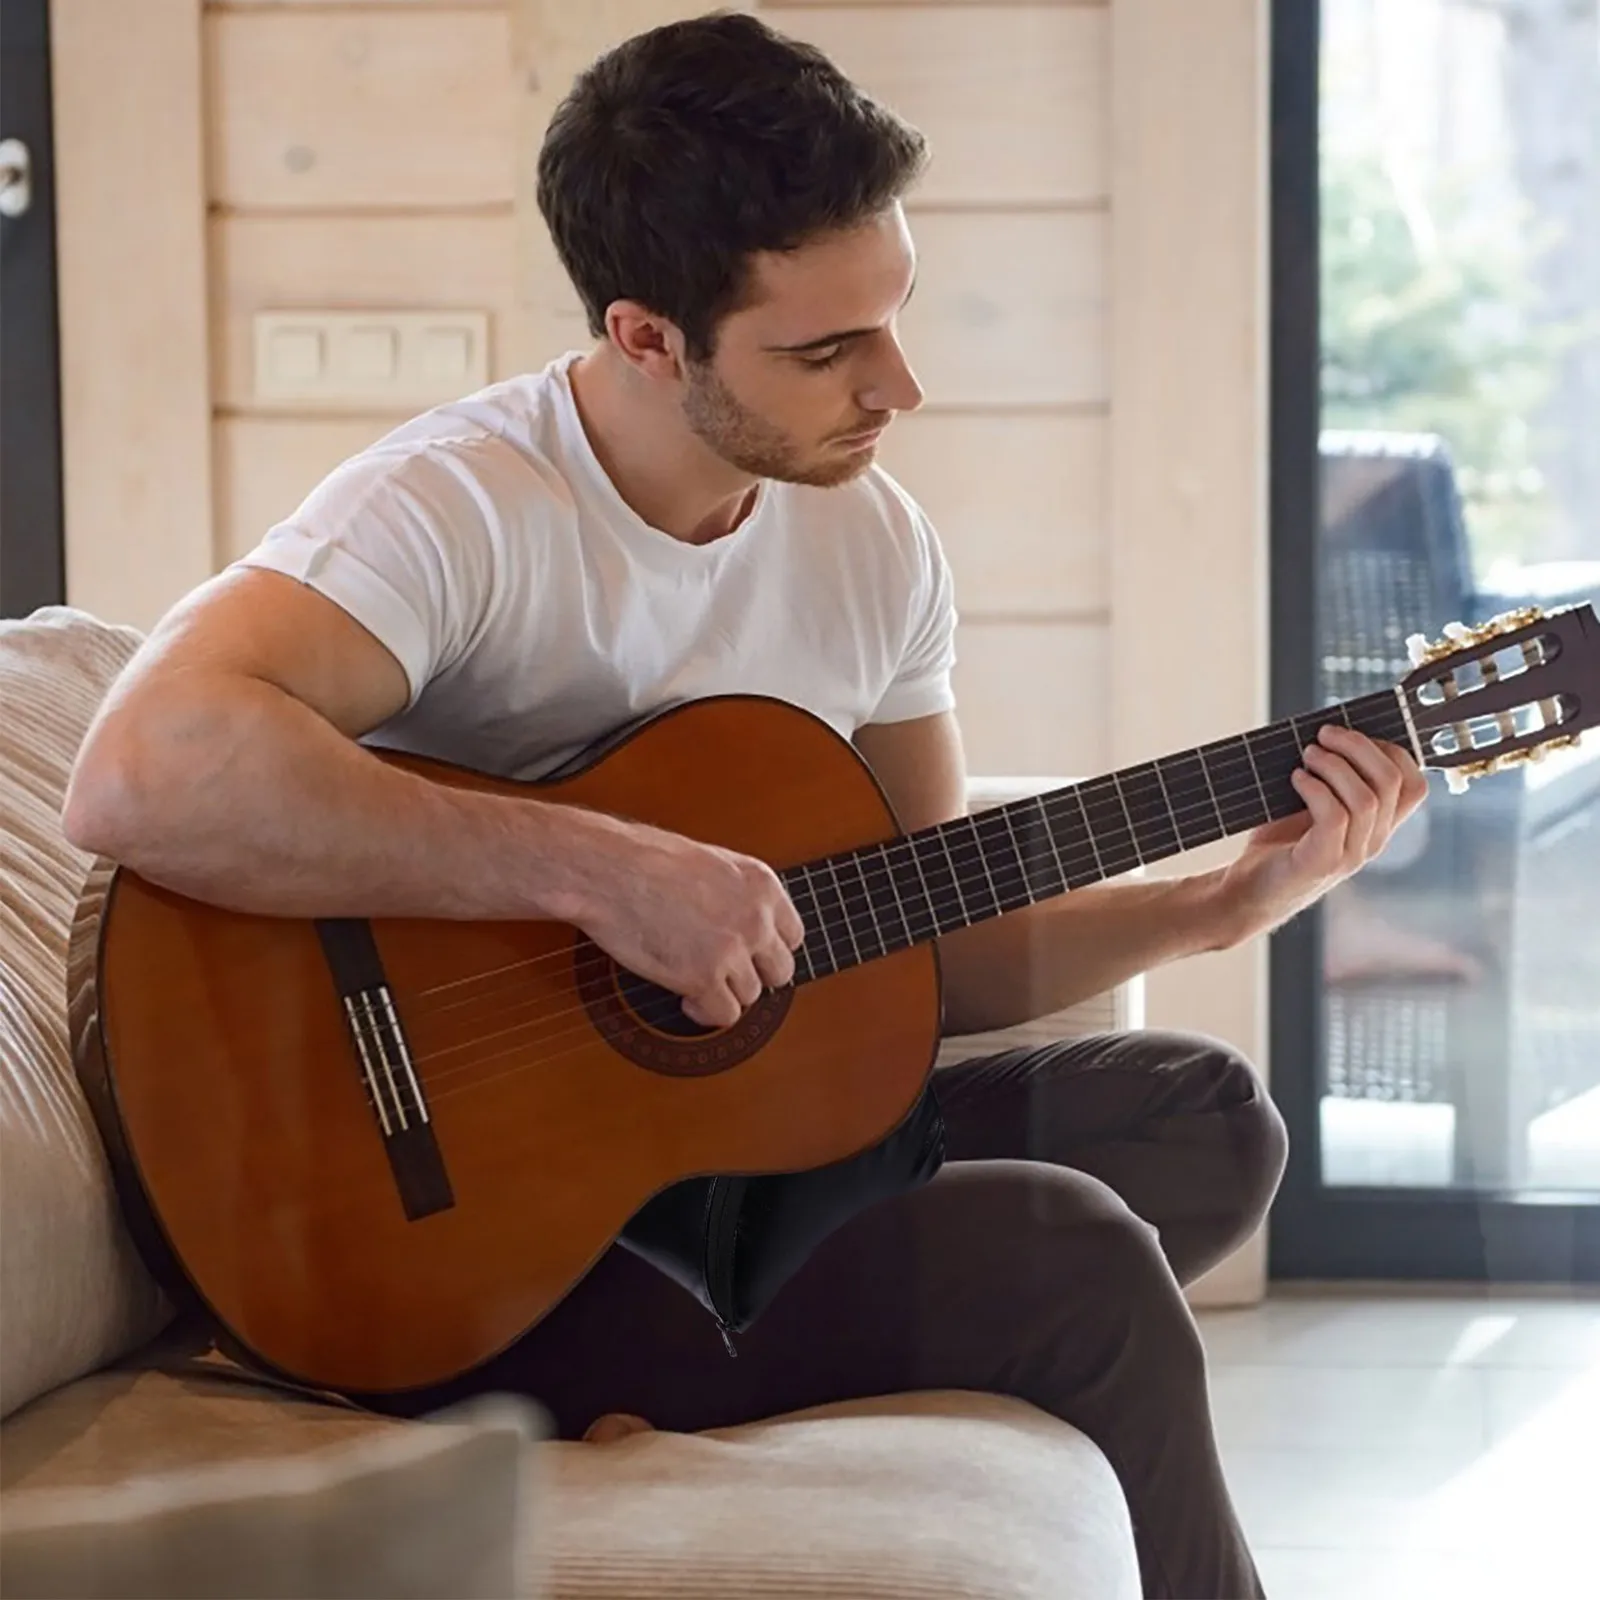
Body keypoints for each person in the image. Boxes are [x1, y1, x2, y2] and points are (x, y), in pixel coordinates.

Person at [62, 13, 1427, 1597]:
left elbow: (938, 950)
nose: (897, 386)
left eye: (894, 314)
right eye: (825, 349)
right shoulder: (457, 508)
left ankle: (724, 1322)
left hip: (704, 1162)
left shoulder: (871, 543)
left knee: (1199, 1122)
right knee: (1082, 1260)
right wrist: (606, 874)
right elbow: (139, 769)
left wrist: (1221, 904)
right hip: (432, 1223)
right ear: (647, 337)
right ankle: (681, 1322)